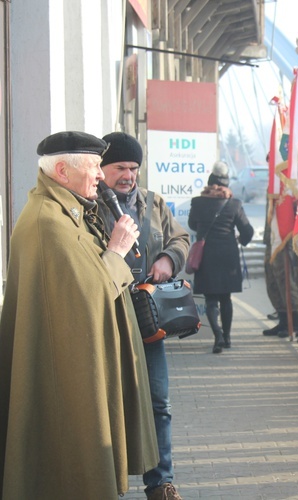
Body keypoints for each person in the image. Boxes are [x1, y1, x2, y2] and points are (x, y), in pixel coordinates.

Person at [0, 131, 157, 497]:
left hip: (69, 363)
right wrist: (117, 250)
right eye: (93, 168)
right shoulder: (49, 223)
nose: (100, 176)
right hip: (68, 371)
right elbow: (90, 294)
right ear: (61, 170)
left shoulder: (63, 212)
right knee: (72, 463)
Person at [96, 132, 189, 500]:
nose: (129, 176)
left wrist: (168, 259)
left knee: (158, 403)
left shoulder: (152, 202)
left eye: (134, 168)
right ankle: (107, 482)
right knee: (108, 405)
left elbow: (180, 238)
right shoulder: (88, 204)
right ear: (102, 168)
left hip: (148, 320)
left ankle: (160, 482)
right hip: (107, 317)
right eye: (120, 167)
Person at [188, 161, 254, 354]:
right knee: (226, 298)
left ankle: (217, 335)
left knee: (210, 299)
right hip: (228, 255)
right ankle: (227, 337)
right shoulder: (234, 204)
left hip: (207, 254)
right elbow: (248, 232)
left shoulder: (198, 202)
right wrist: (239, 239)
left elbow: (192, 224)